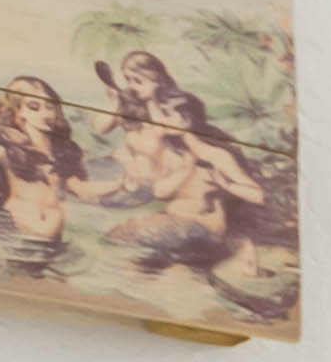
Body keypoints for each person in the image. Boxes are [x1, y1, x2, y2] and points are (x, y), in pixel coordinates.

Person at [81, 49, 291, 312]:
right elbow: (159, 191)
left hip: (198, 230)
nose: (160, 120)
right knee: (130, 269)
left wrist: (225, 185)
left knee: (121, 238)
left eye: (167, 113)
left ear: (186, 118)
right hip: (177, 231)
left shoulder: (215, 154)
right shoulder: (174, 153)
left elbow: (257, 195)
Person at [0, 75, 85, 263]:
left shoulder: (61, 151)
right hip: (12, 238)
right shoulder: (8, 150)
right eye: (34, 107)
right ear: (17, 111)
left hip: (51, 247)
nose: (45, 114)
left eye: (50, 107)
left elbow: (79, 188)